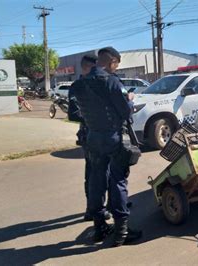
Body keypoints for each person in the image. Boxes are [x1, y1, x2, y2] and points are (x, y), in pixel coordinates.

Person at [72, 47, 142, 247]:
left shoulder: (78, 85)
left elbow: (78, 112)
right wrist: (129, 100)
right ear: (111, 61)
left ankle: (99, 227)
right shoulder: (112, 82)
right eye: (116, 64)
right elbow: (126, 113)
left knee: (96, 179)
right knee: (118, 180)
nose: (115, 68)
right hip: (112, 137)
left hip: (93, 138)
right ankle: (122, 231)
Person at [68, 54, 112, 222]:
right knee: (93, 173)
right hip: (89, 134)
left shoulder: (100, 82)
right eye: (93, 67)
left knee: (106, 173)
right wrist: (93, 117)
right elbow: (73, 113)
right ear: (86, 67)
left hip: (104, 133)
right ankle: (91, 209)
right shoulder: (77, 86)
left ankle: (106, 205)